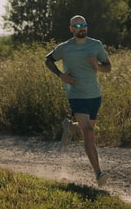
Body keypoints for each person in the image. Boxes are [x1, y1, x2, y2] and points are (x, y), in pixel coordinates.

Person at [45, 15, 112, 187]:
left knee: (85, 129)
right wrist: (61, 75)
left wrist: (97, 66)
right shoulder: (65, 48)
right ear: (71, 29)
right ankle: (98, 173)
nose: (81, 28)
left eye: (84, 24)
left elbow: (108, 67)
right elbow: (48, 59)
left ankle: (69, 127)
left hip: (94, 96)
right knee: (89, 131)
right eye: (77, 25)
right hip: (76, 95)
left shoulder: (96, 45)